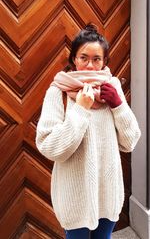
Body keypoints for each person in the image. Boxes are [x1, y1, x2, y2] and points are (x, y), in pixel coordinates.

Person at [36, 23, 141, 239]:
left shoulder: (111, 88)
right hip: (74, 197)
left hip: (108, 193)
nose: (90, 66)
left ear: (104, 62)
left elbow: (130, 142)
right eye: (84, 58)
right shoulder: (59, 92)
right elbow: (50, 147)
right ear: (74, 59)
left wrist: (118, 105)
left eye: (97, 59)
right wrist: (81, 110)